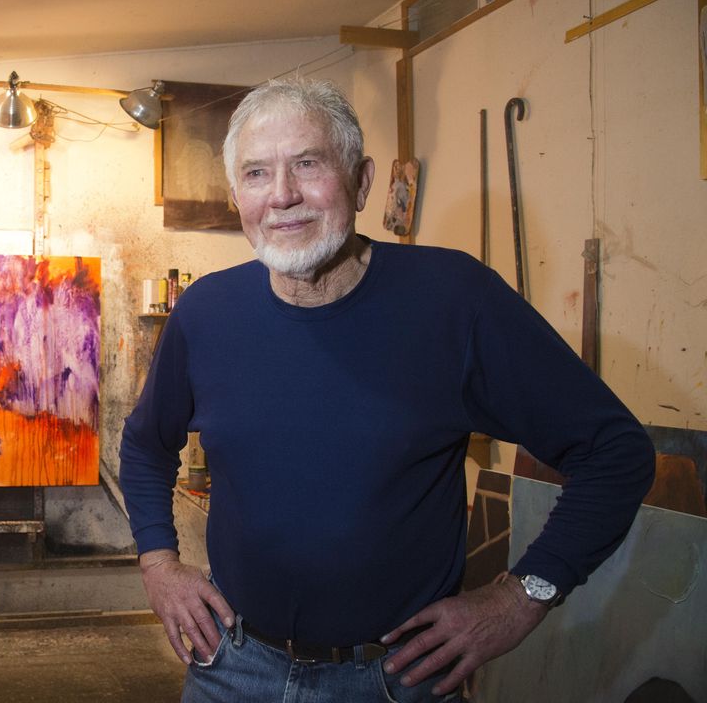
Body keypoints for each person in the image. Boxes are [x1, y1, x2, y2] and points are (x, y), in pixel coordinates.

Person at [118, 78, 655, 702]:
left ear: (363, 181)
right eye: (257, 173)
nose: (283, 195)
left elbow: (615, 453)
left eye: (308, 164)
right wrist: (158, 564)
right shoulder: (207, 313)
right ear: (237, 193)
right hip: (232, 667)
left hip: (396, 680)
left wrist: (519, 598)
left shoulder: (453, 302)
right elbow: (145, 445)